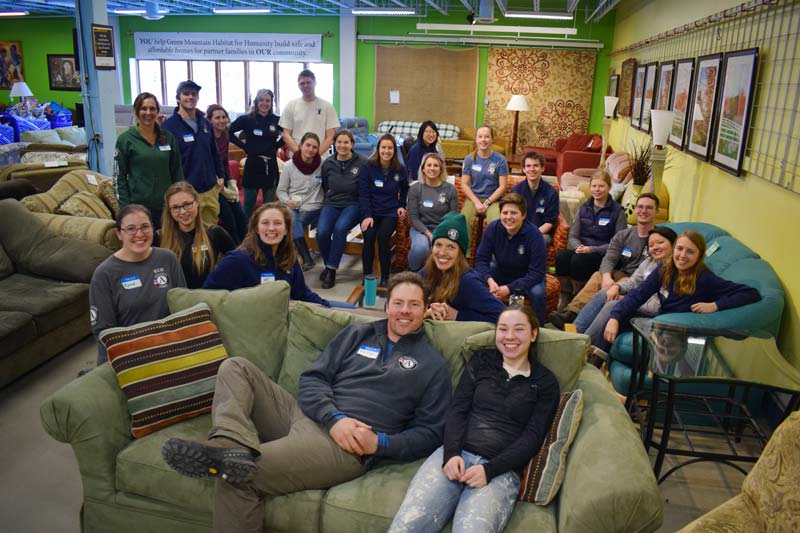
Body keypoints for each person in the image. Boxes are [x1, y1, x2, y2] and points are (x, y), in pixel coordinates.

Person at [162, 272, 452, 533]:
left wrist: (381, 444)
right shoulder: (357, 333)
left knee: (238, 475)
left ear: (425, 309)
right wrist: (333, 417)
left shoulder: (432, 365)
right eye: (398, 303)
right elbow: (313, 379)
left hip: (343, 447)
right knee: (236, 367)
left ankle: (232, 460)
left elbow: (431, 433)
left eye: (414, 304)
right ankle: (228, 442)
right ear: (387, 306)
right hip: (308, 415)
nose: (404, 311)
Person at [389, 305, 559, 532]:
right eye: (503, 329)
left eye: (519, 329)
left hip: (500, 471)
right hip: (455, 456)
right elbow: (458, 409)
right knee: (406, 527)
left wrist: (489, 470)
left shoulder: (546, 382)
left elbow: (533, 437)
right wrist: (451, 454)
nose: (509, 337)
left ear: (534, 334)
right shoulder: (482, 361)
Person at [604, 230, 762, 345]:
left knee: (612, 307)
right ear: (674, 249)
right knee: (611, 306)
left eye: (690, 252)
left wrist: (715, 305)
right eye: (679, 249)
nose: (682, 255)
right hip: (658, 319)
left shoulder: (704, 278)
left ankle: (589, 353)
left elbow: (751, 293)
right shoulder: (665, 269)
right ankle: (587, 347)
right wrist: (615, 318)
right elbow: (640, 293)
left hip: (670, 331)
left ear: (699, 256)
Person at [89, 205, 187, 365]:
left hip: (170, 348)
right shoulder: (104, 275)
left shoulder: (167, 258)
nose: (139, 234)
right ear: (119, 234)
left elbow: (182, 306)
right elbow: (103, 333)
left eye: (144, 227)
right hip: (132, 357)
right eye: (131, 229)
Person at [550, 192, 660, 329]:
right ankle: (571, 313)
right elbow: (609, 257)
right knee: (599, 275)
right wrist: (607, 276)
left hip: (640, 281)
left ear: (657, 212)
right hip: (621, 274)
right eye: (640, 207)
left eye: (649, 208)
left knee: (608, 284)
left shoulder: (659, 238)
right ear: (635, 209)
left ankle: (578, 325)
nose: (643, 211)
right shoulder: (624, 235)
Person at [574, 226, 677, 359]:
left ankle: (583, 350)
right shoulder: (649, 262)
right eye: (651, 245)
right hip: (638, 301)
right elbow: (634, 281)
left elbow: (657, 304)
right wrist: (617, 286)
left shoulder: (675, 270)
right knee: (605, 293)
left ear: (673, 244)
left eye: (660, 242)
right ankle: (574, 335)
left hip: (652, 313)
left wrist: (627, 302)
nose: (655, 247)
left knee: (612, 304)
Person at [202, 202, 332, 307]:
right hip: (257, 328)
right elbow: (208, 294)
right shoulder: (238, 260)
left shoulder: (288, 258)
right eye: (265, 223)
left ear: (286, 230)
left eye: (277, 223)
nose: (271, 228)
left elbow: (302, 294)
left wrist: (327, 308)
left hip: (288, 317)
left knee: (348, 311)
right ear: (256, 229)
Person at [555, 169, 626, 303]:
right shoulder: (584, 208)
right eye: (594, 186)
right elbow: (573, 235)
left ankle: (577, 297)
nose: (597, 190)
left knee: (578, 260)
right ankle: (565, 296)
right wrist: (579, 246)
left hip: (603, 254)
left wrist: (591, 249)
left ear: (609, 187)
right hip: (582, 250)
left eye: (601, 186)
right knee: (561, 257)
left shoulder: (618, 212)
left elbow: (618, 244)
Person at [475, 193, 547, 324]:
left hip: (528, 277)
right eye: (505, 213)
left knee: (538, 292)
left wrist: (508, 288)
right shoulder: (493, 228)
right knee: (476, 277)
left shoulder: (534, 235)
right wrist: (490, 281)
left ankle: (538, 325)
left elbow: (537, 273)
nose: (508, 217)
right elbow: (481, 260)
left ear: (523, 215)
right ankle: (483, 320)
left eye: (513, 213)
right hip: (502, 270)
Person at [421, 212, 505, 324]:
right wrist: (425, 313)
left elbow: (504, 316)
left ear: (460, 253)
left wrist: (458, 315)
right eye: (438, 245)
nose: (442, 253)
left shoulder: (468, 282)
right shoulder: (428, 271)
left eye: (451, 247)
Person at [115, 92, 183, 229]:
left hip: (166, 207)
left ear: (158, 111)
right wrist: (126, 208)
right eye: (143, 108)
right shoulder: (125, 140)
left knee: (168, 247)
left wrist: (179, 200)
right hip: (139, 208)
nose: (148, 112)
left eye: (152, 109)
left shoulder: (168, 137)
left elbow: (177, 172)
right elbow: (119, 177)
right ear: (136, 111)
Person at [163, 80, 227, 225]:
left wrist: (221, 175)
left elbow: (214, 153)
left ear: (198, 98)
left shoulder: (205, 123)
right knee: (188, 231)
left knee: (210, 232)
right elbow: (166, 162)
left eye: (194, 94)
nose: (190, 97)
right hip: (186, 192)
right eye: (186, 94)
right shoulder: (168, 127)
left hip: (210, 190)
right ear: (178, 98)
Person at [159, 181, 236, 289]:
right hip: (173, 300)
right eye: (175, 207)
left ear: (197, 202)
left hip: (205, 300)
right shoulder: (159, 237)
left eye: (187, 204)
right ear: (169, 211)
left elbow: (237, 263)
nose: (182, 212)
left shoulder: (214, 233)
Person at [317, 129, 367, 289]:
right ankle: (328, 264)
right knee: (322, 232)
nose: (342, 145)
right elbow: (325, 185)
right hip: (331, 203)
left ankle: (331, 271)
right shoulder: (328, 163)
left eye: (346, 142)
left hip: (353, 204)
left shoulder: (362, 162)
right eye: (339, 142)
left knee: (339, 229)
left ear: (352, 144)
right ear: (334, 143)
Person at [360, 134, 409, 286]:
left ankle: (385, 277)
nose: (386, 151)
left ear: (394, 150)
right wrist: (367, 215)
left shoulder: (400, 169)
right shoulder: (368, 167)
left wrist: (401, 205)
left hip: (389, 211)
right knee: (368, 236)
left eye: (390, 148)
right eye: (383, 147)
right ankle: (367, 275)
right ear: (378, 149)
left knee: (382, 237)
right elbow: (363, 193)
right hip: (371, 212)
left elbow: (405, 190)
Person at [229, 89, 285, 217]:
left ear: (272, 103)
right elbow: (228, 131)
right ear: (256, 102)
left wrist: (276, 146)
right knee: (248, 206)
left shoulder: (277, 120)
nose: (264, 103)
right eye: (261, 100)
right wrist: (244, 146)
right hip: (252, 165)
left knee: (268, 207)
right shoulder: (247, 119)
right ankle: (246, 234)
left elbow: (288, 134)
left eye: (267, 100)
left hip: (270, 166)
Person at [276, 132, 323, 272]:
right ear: (301, 145)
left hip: (313, 206)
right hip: (292, 205)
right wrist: (287, 200)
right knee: (290, 218)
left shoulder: (323, 164)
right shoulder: (289, 166)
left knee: (290, 225)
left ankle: (292, 258)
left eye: (314, 147)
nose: (311, 149)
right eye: (308, 145)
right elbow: (281, 190)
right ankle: (305, 258)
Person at [406, 152, 459, 271]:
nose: (432, 168)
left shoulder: (450, 189)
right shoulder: (415, 188)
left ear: (441, 169)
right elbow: (413, 218)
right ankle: (414, 272)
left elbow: (453, 217)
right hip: (421, 229)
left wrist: (440, 233)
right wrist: (429, 234)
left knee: (445, 249)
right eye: (429, 165)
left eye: (436, 166)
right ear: (423, 169)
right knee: (421, 247)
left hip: (443, 229)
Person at [459, 125, 509, 246]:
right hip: (473, 198)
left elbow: (502, 186)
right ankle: (465, 257)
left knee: (496, 222)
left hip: (493, 200)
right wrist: (476, 202)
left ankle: (492, 258)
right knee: (463, 221)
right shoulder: (469, 159)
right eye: (480, 136)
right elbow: (464, 184)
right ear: (476, 139)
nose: (483, 140)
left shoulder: (500, 160)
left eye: (487, 136)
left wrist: (487, 202)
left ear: (492, 139)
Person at [207, 103, 248, 244]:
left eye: (224, 117)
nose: (221, 120)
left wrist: (231, 182)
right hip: (212, 186)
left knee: (241, 216)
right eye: (217, 118)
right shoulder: (206, 138)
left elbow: (224, 162)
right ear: (210, 120)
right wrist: (220, 186)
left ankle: (247, 248)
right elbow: (207, 164)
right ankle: (235, 252)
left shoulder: (225, 136)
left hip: (224, 182)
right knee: (229, 220)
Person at [279, 69, 339, 155]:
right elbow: (286, 135)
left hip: (320, 158)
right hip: (297, 158)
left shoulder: (327, 106)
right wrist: (300, 154)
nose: (305, 85)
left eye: (308, 82)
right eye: (302, 83)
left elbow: (331, 136)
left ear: (315, 83)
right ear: (298, 85)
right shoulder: (291, 105)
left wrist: (316, 154)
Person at [511, 151, 559, 246]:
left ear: (543, 168)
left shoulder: (551, 193)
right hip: (519, 230)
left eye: (536, 165)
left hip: (541, 233)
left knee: (536, 242)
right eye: (528, 166)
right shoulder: (516, 190)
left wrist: (532, 234)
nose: (532, 169)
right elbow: (512, 216)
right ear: (523, 169)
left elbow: (550, 222)